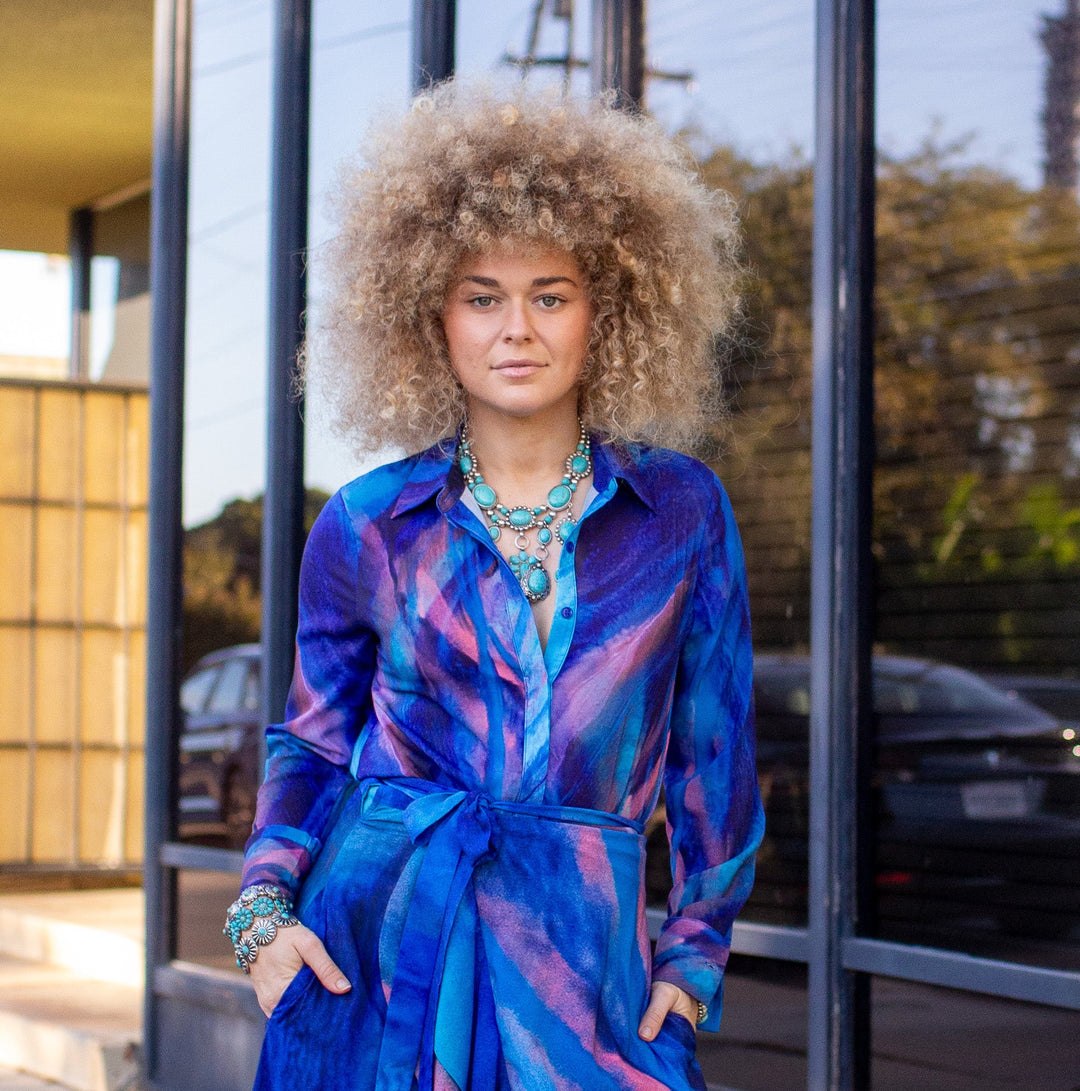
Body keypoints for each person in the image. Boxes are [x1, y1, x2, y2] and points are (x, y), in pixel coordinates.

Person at [225, 80, 764, 1091]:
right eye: (483, 296)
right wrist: (263, 918)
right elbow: (313, 739)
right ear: (431, 316)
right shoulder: (368, 521)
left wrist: (692, 959)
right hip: (376, 957)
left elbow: (715, 761)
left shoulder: (683, 513)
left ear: (608, 311)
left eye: (550, 294)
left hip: (587, 974)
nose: (516, 327)